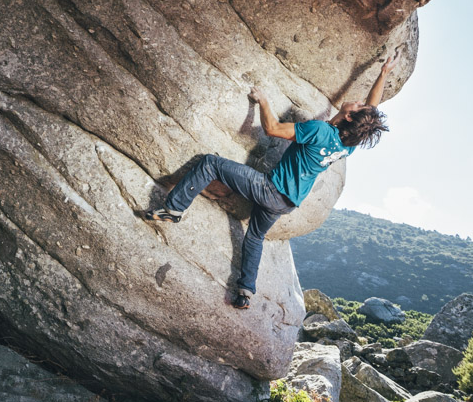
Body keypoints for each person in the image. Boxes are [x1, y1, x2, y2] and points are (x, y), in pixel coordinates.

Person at [144, 52, 399, 309]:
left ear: (348, 118)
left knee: (210, 163)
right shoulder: (347, 144)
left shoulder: (320, 130)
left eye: (356, 107)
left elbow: (273, 129)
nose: (357, 102)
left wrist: (263, 102)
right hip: (288, 202)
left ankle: (174, 209)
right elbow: (372, 109)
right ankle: (245, 291)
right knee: (254, 238)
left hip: (271, 190)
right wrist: (383, 73)